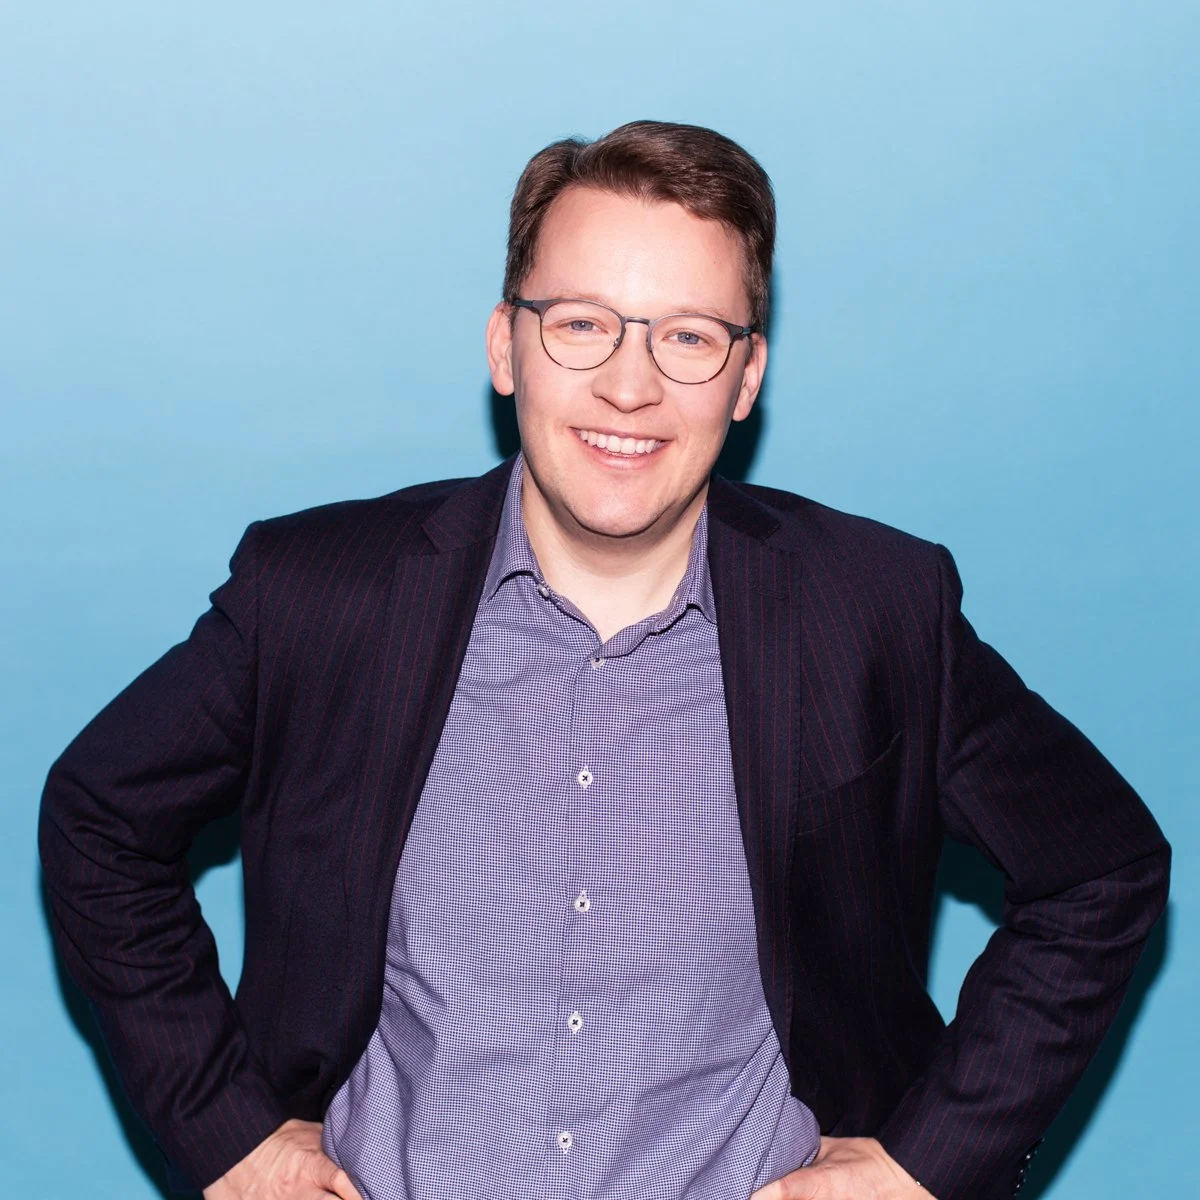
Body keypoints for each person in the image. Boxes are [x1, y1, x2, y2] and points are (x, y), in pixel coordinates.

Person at [39, 120, 1170, 1200]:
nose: (631, 386)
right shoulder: (321, 597)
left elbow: (1100, 870)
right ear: (505, 346)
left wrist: (930, 1165)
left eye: (689, 336)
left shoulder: (873, 611)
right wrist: (225, 1133)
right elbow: (99, 820)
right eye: (582, 324)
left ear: (746, 377)